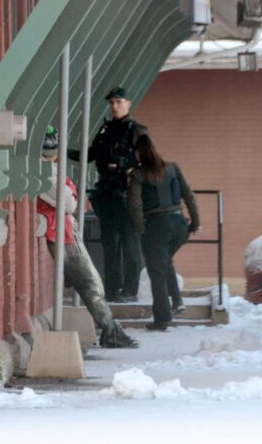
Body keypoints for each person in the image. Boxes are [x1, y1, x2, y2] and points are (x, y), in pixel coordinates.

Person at [37, 126, 139, 348]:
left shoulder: (50, 171)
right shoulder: (45, 172)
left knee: (90, 282)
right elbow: (70, 203)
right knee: (90, 282)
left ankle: (110, 327)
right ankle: (110, 329)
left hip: (63, 230)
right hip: (60, 232)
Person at [68, 87, 146, 303]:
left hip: (127, 195)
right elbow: (90, 155)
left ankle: (130, 290)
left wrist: (124, 163)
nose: (114, 106)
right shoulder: (106, 129)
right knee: (109, 244)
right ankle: (112, 289)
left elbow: (147, 161)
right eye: (112, 102)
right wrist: (63, 150)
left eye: (119, 102)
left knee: (129, 244)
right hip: (108, 195)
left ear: (128, 103)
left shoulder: (136, 130)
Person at [127, 135, 200, 331]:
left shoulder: (138, 174)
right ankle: (177, 301)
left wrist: (141, 228)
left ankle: (162, 318)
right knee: (164, 261)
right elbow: (188, 195)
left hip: (156, 227)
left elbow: (135, 204)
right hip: (179, 225)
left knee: (156, 272)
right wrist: (195, 222)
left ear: (138, 153)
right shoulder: (173, 168)